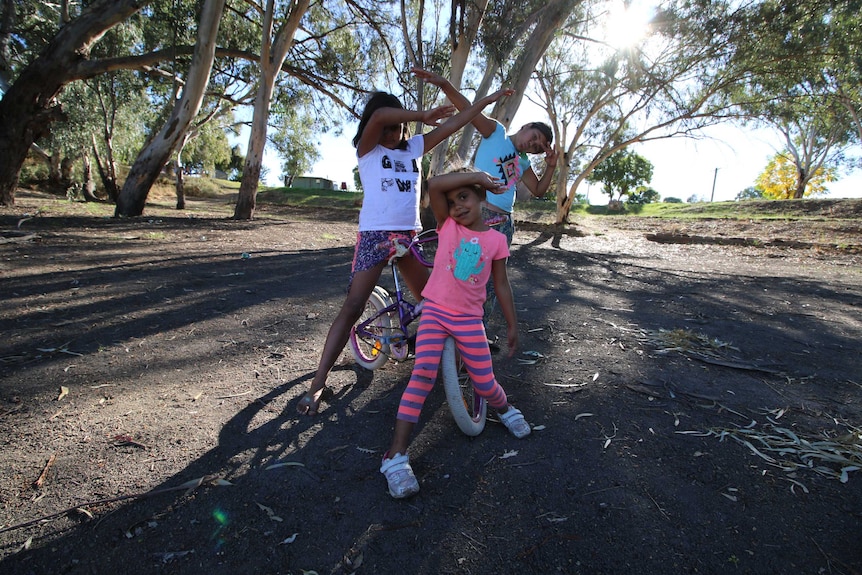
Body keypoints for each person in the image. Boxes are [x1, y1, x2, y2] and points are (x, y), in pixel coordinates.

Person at [297, 86, 513, 416]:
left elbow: (458, 122)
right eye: (386, 127)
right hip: (374, 236)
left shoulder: (413, 148)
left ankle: (462, 357)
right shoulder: (367, 151)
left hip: (407, 236)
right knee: (354, 305)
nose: (391, 131)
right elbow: (382, 115)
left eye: (397, 128)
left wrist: (487, 101)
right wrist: (421, 115)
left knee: (437, 300)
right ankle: (317, 385)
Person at [379, 169, 531, 499]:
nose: (457, 206)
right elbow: (434, 185)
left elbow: (501, 285)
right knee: (421, 376)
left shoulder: (496, 240)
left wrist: (512, 324)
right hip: (435, 311)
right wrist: (477, 175)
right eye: (451, 202)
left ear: (481, 198)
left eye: (464, 197)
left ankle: (505, 410)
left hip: (469, 320)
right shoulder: (447, 226)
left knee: (485, 381)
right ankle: (396, 455)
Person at [412, 68, 558, 329]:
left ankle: (476, 333)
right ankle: (446, 326)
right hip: (480, 216)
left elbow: (538, 191)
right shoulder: (497, 133)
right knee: (463, 271)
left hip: (504, 224)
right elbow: (468, 110)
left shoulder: (523, 163)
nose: (532, 145)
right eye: (533, 137)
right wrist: (445, 85)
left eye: (537, 147)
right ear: (525, 127)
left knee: (489, 282)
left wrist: (550, 166)